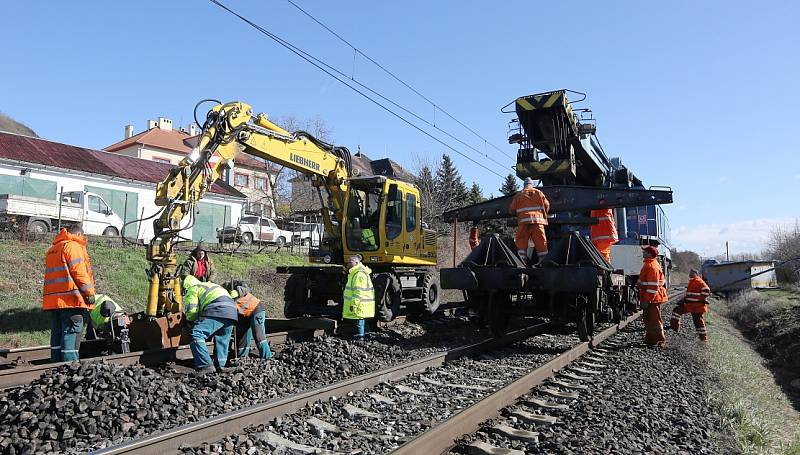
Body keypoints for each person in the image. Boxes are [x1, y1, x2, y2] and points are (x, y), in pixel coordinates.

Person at [43, 224, 97, 362]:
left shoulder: (53, 249)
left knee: (57, 333)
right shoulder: (73, 246)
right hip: (71, 300)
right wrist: (89, 293)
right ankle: (70, 368)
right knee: (71, 332)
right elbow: (79, 272)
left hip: (54, 302)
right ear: (78, 235)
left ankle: (55, 365)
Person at [182, 274, 238, 373]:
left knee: (196, 333)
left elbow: (191, 311)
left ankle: (205, 365)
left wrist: (191, 322)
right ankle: (220, 366)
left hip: (218, 308)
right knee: (222, 338)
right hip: (232, 311)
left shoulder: (193, 289)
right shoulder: (210, 285)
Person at [224, 281, 273, 359]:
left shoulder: (229, 285)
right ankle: (242, 358)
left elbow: (245, 286)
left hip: (255, 309)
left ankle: (267, 357)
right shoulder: (219, 296)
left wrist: (237, 291)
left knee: (258, 335)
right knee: (241, 338)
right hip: (243, 315)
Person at [508, 177, 550, 264]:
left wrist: (518, 214)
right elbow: (547, 205)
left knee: (521, 241)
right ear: (532, 185)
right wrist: (544, 214)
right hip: (538, 222)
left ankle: (521, 261)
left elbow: (511, 210)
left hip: (524, 222)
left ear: (524, 185)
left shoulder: (519, 195)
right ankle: (543, 262)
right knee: (541, 241)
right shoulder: (539, 193)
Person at [638, 245, 669, 346]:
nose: (643, 252)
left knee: (655, 320)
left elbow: (653, 286)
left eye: (645, 251)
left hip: (653, 298)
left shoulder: (652, 266)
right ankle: (650, 339)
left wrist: (647, 300)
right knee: (648, 319)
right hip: (651, 297)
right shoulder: (649, 264)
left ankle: (660, 340)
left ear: (649, 254)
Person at [670, 270, 712, 341]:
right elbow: (690, 294)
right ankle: (674, 328)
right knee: (677, 311)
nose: (690, 274)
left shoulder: (698, 281)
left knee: (698, 322)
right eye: (690, 273)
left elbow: (707, 290)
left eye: (692, 273)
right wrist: (683, 300)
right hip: (690, 305)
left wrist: (699, 299)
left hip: (697, 306)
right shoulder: (692, 281)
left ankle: (703, 339)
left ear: (696, 274)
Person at [342, 255, 375, 340]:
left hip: (359, 304)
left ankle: (359, 338)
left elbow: (358, 292)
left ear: (356, 263)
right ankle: (366, 337)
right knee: (362, 321)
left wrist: (354, 304)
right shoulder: (357, 272)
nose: (348, 264)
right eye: (348, 262)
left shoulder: (358, 274)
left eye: (350, 262)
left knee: (359, 321)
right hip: (363, 304)